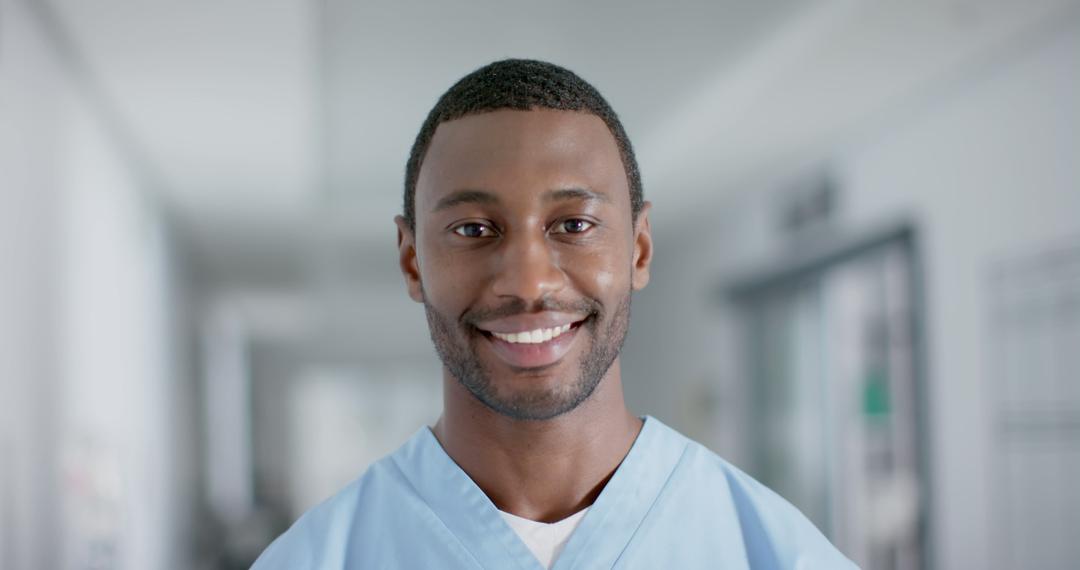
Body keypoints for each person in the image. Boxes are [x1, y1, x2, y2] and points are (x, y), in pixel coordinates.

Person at [252, 59, 856, 569]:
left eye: (574, 225)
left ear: (639, 249)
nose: (528, 281)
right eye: (473, 229)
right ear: (412, 262)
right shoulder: (315, 558)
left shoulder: (771, 552)